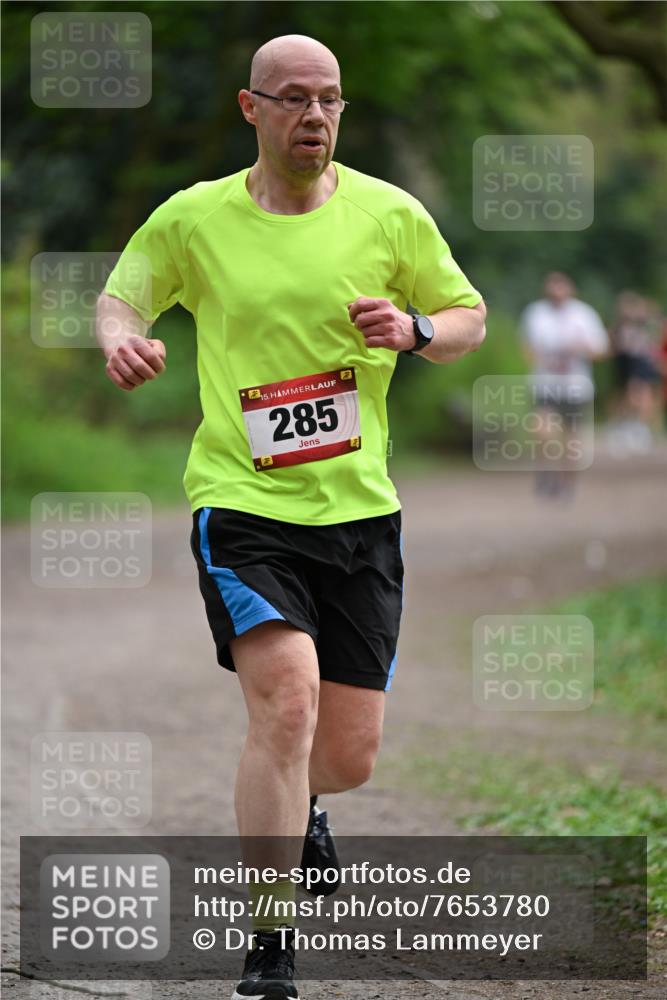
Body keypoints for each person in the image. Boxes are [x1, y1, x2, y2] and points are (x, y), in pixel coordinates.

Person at [96, 34, 485, 1000]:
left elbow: (465, 316)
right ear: (252, 107)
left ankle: (308, 803)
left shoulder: (390, 214)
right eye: (295, 98)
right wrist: (122, 340)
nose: (315, 115)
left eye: (330, 99)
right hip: (242, 502)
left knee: (345, 755)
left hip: (359, 513)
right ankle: (268, 941)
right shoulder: (195, 217)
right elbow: (122, 298)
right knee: (287, 703)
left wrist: (417, 329)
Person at [520, 272, 609, 498]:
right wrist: (542, 357)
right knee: (543, 430)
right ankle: (545, 472)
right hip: (546, 383)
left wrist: (580, 348)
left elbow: (601, 349)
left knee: (572, 437)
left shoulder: (584, 314)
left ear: (570, 289)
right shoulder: (536, 313)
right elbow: (526, 347)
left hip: (575, 385)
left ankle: (567, 481)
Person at [609, 290, 663, 452]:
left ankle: (640, 428)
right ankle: (628, 426)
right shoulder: (621, 326)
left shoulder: (646, 324)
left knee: (640, 394)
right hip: (626, 362)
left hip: (641, 363)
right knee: (626, 396)